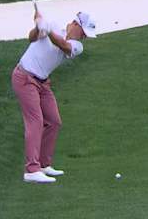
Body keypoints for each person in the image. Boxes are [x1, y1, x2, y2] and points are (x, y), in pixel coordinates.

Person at [12, 11, 97, 183]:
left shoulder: (76, 46)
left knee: (54, 121)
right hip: (24, 77)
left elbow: (63, 46)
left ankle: (43, 165)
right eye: (83, 33)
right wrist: (38, 27)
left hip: (42, 83)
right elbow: (31, 38)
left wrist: (48, 30)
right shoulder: (54, 25)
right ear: (75, 24)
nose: (84, 38)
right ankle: (31, 170)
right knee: (35, 121)